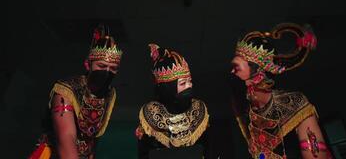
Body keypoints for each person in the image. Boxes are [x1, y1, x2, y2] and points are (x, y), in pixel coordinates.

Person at [230, 23, 332, 159]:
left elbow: (316, 155)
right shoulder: (244, 108)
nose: (232, 72)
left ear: (258, 73)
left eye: (236, 67)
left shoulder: (294, 103)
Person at [29, 25, 123, 159]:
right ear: (87, 65)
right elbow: (66, 137)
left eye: (113, 68)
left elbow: (91, 138)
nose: (107, 72)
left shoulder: (109, 94)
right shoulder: (67, 90)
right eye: (101, 66)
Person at [135, 44, 212, 159]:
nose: (189, 86)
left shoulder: (199, 110)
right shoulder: (151, 115)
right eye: (182, 83)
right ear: (167, 88)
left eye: (189, 81)